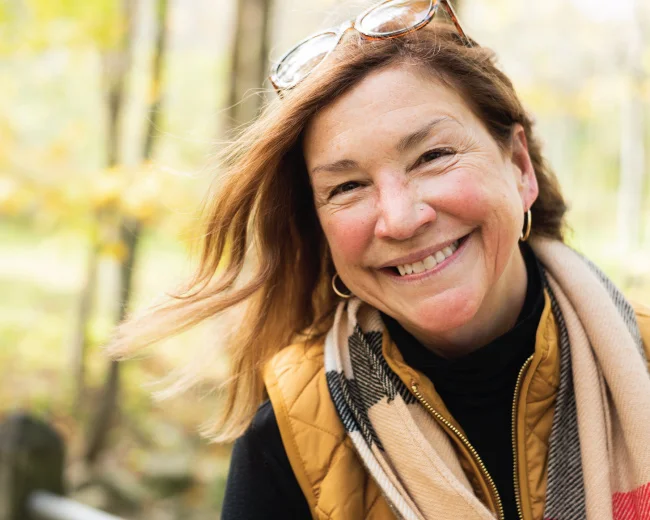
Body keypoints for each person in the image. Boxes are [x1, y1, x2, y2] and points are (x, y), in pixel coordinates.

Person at [110, 1, 650, 519]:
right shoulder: (290, 440)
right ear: (321, 230)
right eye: (347, 186)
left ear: (518, 167)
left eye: (433, 156)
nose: (399, 218)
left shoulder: (641, 365)